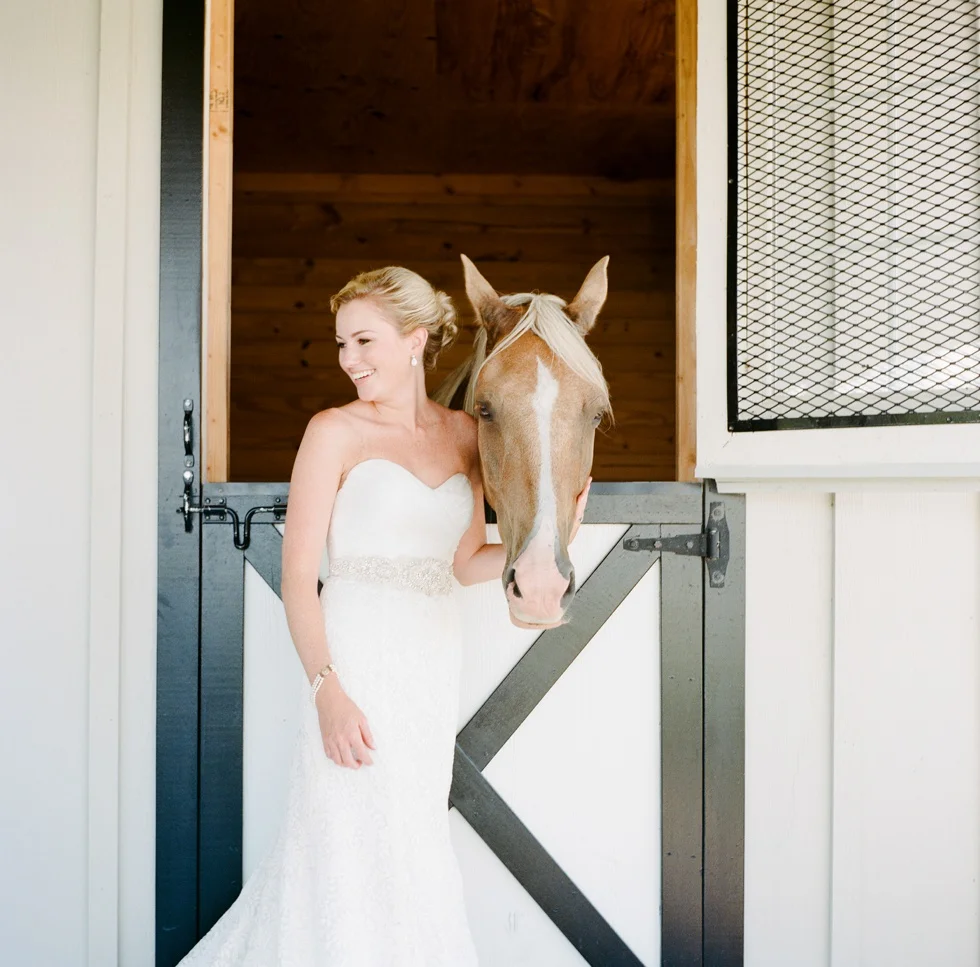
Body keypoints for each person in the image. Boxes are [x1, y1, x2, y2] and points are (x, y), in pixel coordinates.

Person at [176, 265, 585, 966]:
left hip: (427, 666)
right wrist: (327, 691)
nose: (348, 360)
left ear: (417, 340)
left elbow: (463, 562)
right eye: (341, 344)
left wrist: (558, 538)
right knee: (342, 843)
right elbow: (299, 579)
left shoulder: (463, 435)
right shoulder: (332, 432)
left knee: (411, 843)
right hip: (353, 665)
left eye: (364, 340)